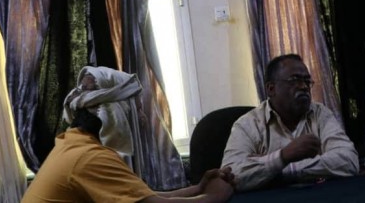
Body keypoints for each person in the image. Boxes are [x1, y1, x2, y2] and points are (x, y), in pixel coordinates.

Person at [22, 67, 235, 202]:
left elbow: (142, 196)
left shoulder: (73, 143)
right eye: (136, 110)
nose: (142, 119)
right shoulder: (90, 158)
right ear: (115, 114)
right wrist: (214, 197)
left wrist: (198, 188)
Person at [221, 54, 359, 191]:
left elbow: (349, 160)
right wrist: (283, 155)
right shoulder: (248, 124)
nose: (304, 87)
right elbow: (231, 176)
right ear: (271, 89)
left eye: (307, 81)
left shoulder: (320, 113)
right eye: (294, 80)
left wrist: (283, 168)